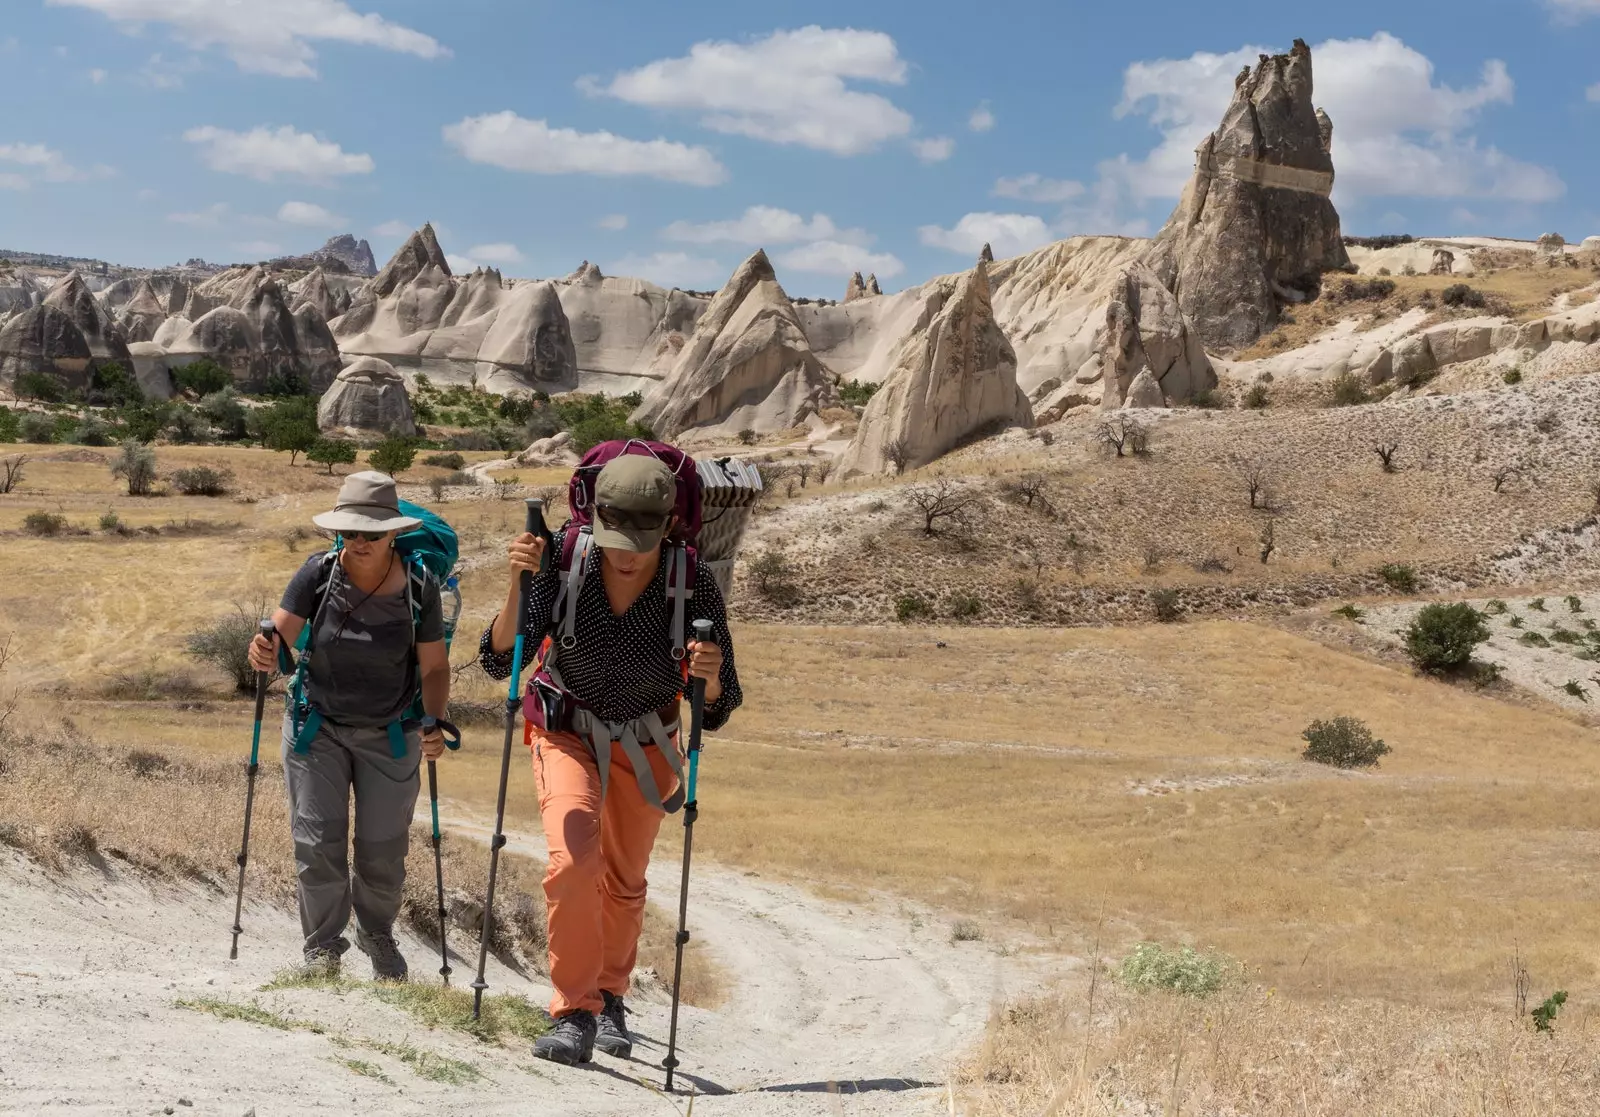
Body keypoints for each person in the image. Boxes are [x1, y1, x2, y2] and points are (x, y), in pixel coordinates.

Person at [480, 454, 742, 1065]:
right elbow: (501, 659)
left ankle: (610, 996)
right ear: (595, 518)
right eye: (616, 537)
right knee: (573, 861)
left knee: (624, 882)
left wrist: (708, 675)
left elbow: (720, 701)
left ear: (668, 527)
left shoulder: (693, 579)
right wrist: (518, 582)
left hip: (649, 740)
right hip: (566, 729)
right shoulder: (566, 559)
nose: (627, 553)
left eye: (641, 541)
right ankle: (574, 1011)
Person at [247, 471, 452, 981]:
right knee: (317, 842)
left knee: (384, 850)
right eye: (350, 533)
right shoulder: (317, 574)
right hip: (317, 729)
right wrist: (264, 652)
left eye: (371, 533)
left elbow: (434, 666)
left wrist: (433, 721)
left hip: (393, 732)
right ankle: (322, 947)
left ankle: (376, 933)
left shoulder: (420, 586)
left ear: (394, 534)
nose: (359, 542)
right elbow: (280, 639)